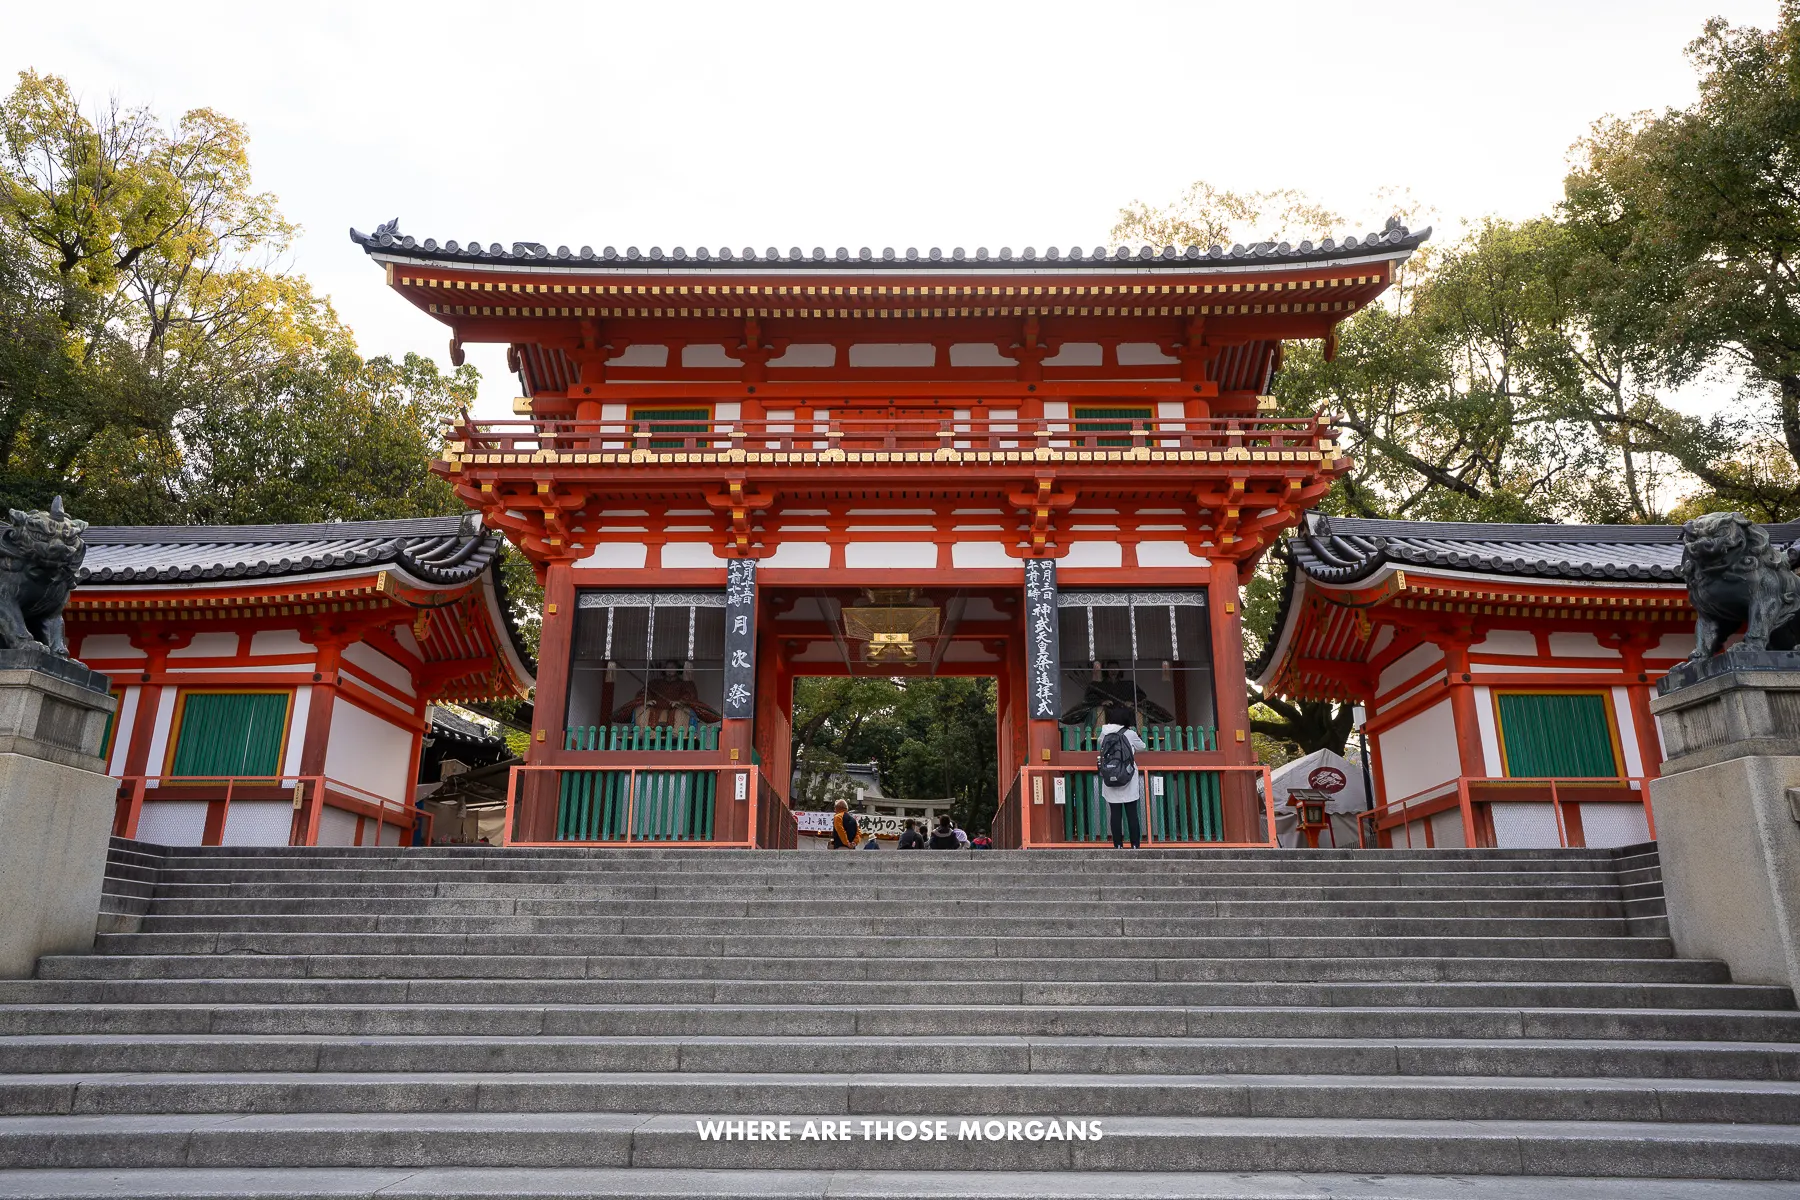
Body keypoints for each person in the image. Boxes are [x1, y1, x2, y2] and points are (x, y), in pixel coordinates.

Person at [1098, 703, 1147, 849]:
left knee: (1115, 814)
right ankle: (1134, 845)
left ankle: (1118, 845)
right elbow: (1142, 747)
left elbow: (1100, 744)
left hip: (1110, 775)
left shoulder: (1104, 732)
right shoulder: (1129, 734)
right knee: (1131, 813)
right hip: (1128, 777)